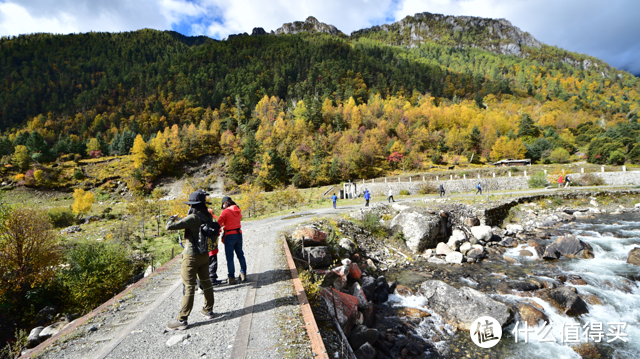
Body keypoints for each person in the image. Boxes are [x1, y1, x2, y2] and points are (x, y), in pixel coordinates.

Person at [165, 191, 217, 331]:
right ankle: (208, 310)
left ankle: (182, 320)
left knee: (189, 287)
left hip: (191, 256)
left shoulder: (193, 217)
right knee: (206, 282)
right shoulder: (207, 216)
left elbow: (169, 226)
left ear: (192, 205)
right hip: (204, 255)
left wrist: (172, 218)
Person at [219, 196, 247, 285]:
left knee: (230, 258)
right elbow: (233, 220)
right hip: (239, 233)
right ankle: (243, 273)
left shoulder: (225, 211)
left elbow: (219, 223)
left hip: (229, 235)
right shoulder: (238, 210)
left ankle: (231, 277)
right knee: (240, 254)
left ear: (224, 203)